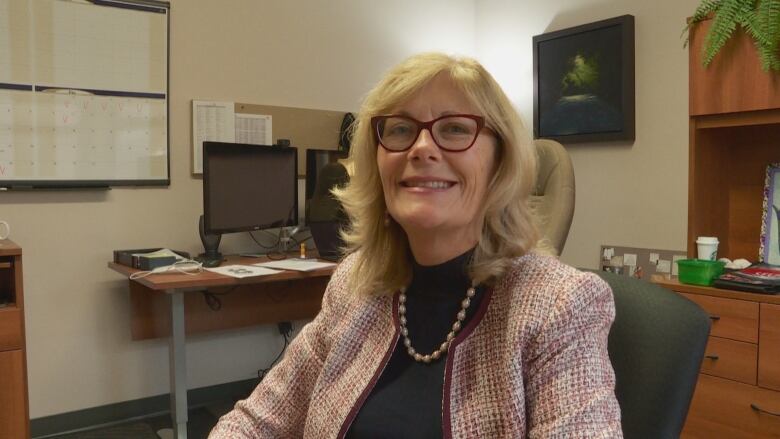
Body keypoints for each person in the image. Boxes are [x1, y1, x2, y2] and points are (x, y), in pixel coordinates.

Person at [209, 53, 622, 438]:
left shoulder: (559, 305)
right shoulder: (357, 282)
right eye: (401, 130)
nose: (422, 148)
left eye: (455, 128)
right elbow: (255, 421)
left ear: (500, 162)